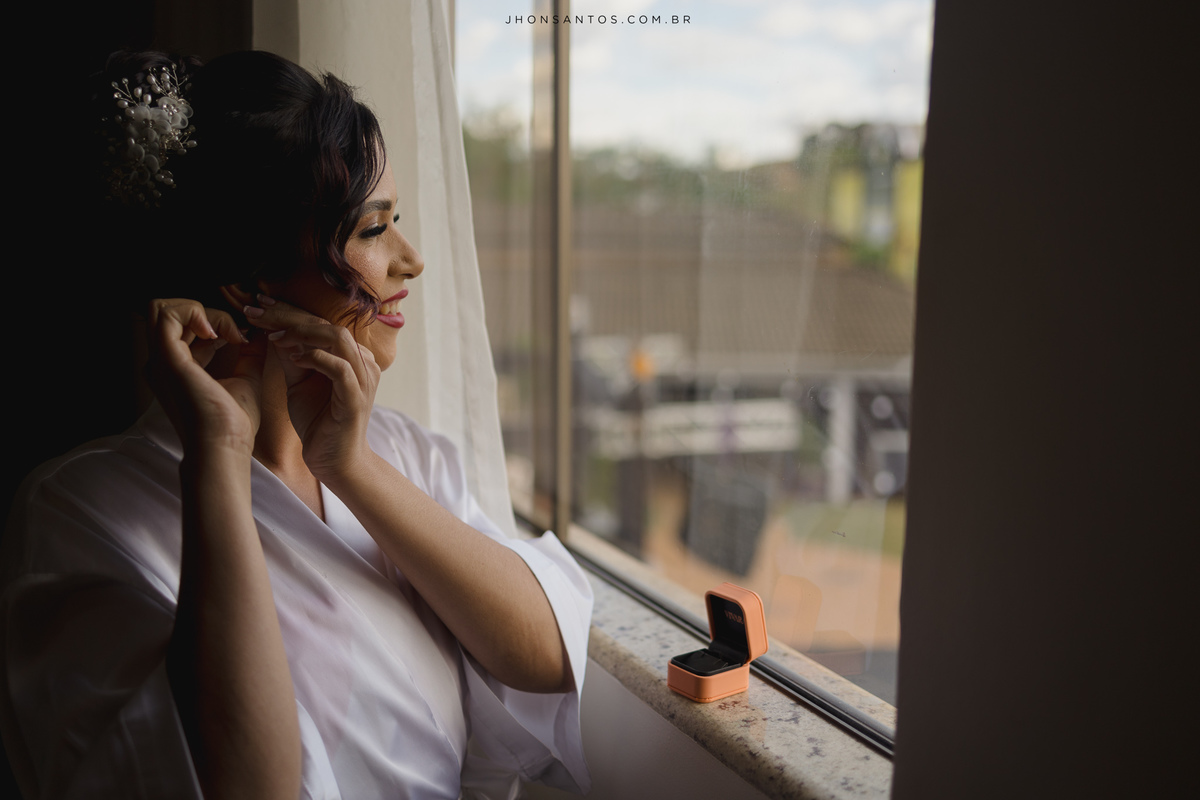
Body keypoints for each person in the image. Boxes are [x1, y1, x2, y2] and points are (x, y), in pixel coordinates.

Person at [0, 50, 591, 799]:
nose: (411, 261)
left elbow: (545, 657)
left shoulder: (397, 452)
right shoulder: (78, 514)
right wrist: (218, 454)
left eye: (397, 222)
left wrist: (352, 468)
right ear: (249, 281)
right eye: (373, 230)